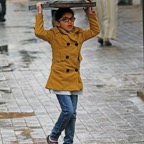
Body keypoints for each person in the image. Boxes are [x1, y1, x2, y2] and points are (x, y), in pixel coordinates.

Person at [35, 2, 100, 144]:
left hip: (74, 78)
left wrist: (89, 13)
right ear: (58, 23)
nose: (69, 22)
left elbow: (95, 31)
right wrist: (39, 13)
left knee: (73, 115)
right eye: (65, 19)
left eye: (71, 19)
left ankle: (68, 141)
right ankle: (53, 136)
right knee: (68, 111)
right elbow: (39, 32)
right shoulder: (53, 34)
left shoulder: (79, 33)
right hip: (59, 78)